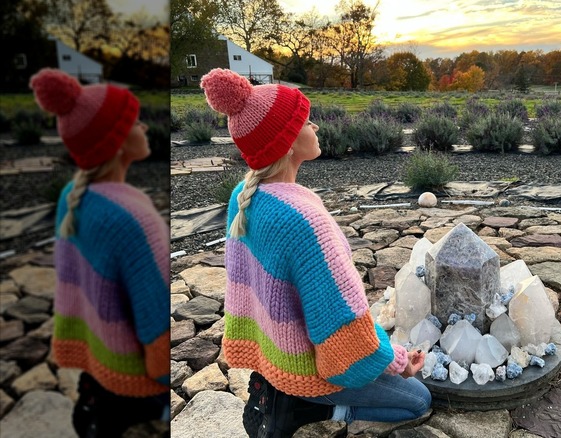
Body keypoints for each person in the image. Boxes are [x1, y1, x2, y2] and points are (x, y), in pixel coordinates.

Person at [200, 68, 431, 438]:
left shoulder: (242, 197)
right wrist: (398, 361)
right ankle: (304, 406)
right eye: (307, 121)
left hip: (274, 354)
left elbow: (250, 290)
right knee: (418, 399)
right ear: (287, 141)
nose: (316, 127)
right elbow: (343, 324)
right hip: (308, 370)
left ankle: (277, 387)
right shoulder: (305, 220)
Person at [29, 68, 170, 437]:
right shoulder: (134, 218)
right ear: (118, 141)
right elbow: (157, 322)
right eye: (135, 122)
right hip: (133, 381)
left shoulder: (72, 197)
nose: (144, 127)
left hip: (98, 365)